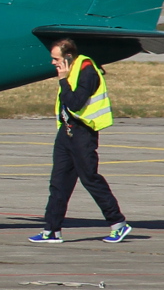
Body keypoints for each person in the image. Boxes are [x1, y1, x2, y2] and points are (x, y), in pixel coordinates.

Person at [29, 38, 132, 244]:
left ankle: (118, 223)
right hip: (66, 133)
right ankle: (52, 230)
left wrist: (63, 80)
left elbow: (75, 103)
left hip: (83, 133)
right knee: (58, 183)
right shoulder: (72, 70)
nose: (53, 62)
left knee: (90, 179)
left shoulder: (87, 70)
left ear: (68, 57)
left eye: (56, 59)